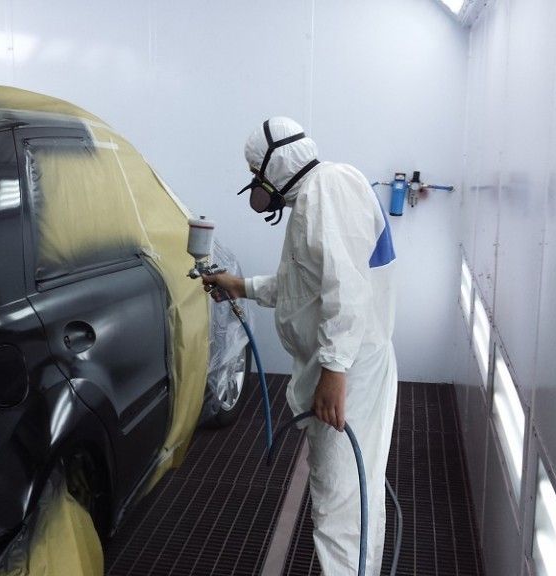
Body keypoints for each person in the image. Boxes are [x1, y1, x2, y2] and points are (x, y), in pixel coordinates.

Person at [203, 116, 398, 575]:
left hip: (350, 371)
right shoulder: (318, 195)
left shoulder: (327, 189)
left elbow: (347, 289)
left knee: (338, 503)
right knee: (353, 492)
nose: (256, 185)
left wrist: (334, 372)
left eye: (256, 173)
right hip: (346, 363)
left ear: (274, 165)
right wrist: (240, 286)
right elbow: (302, 286)